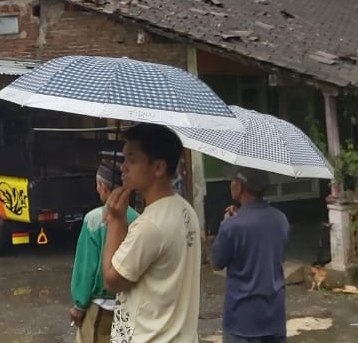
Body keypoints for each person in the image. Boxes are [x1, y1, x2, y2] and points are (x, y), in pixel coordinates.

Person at [101, 123, 202, 343]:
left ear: (158, 167)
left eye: (132, 160)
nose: (123, 167)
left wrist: (116, 222)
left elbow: (112, 280)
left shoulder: (150, 225)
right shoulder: (186, 210)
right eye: (124, 158)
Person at [212, 168, 291, 343]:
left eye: (233, 180)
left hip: (242, 319)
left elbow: (217, 263)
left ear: (239, 186)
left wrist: (226, 224)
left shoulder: (231, 226)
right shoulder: (281, 219)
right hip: (274, 315)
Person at [70, 161, 139, 343]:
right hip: (129, 303)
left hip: (99, 306)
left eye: (98, 184)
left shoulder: (94, 220)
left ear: (103, 186)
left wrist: (79, 304)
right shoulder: (138, 219)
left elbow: (86, 267)